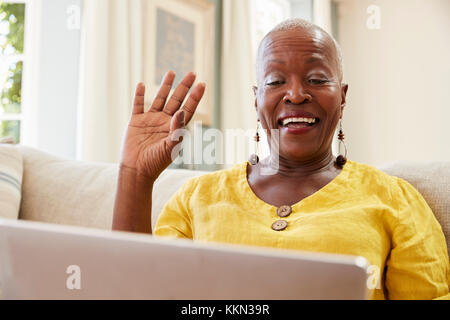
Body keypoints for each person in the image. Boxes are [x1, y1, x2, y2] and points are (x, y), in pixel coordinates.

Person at [112, 18, 449, 300]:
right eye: (275, 81)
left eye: (317, 79)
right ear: (256, 99)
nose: (296, 94)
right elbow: (137, 291)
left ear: (342, 98)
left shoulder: (394, 199)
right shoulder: (196, 198)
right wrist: (135, 176)